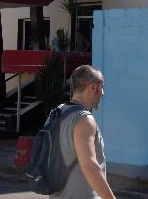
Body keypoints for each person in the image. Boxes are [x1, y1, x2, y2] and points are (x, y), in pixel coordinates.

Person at [51, 65, 116, 199]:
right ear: (93, 87)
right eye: (101, 86)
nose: (102, 93)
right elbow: (90, 166)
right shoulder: (84, 119)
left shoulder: (57, 112)